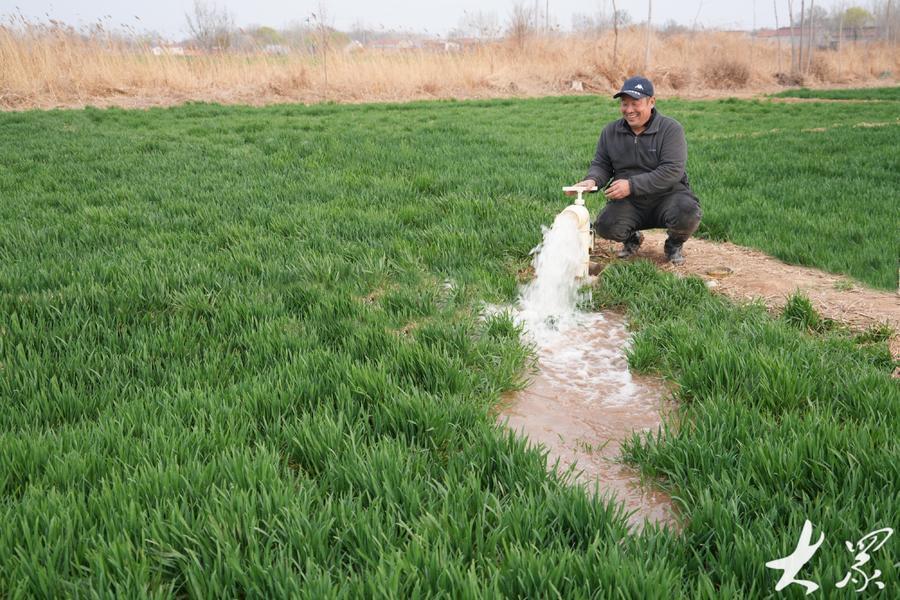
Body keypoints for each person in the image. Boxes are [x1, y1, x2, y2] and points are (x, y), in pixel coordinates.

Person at [568, 76, 702, 265]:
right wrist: (592, 180)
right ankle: (632, 238)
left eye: (635, 103)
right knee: (606, 226)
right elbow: (602, 164)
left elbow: (673, 170)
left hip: (668, 196)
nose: (629, 110)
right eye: (624, 104)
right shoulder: (611, 132)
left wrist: (632, 185)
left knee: (687, 212)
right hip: (631, 202)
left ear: (651, 102)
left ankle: (674, 243)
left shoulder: (670, 129)